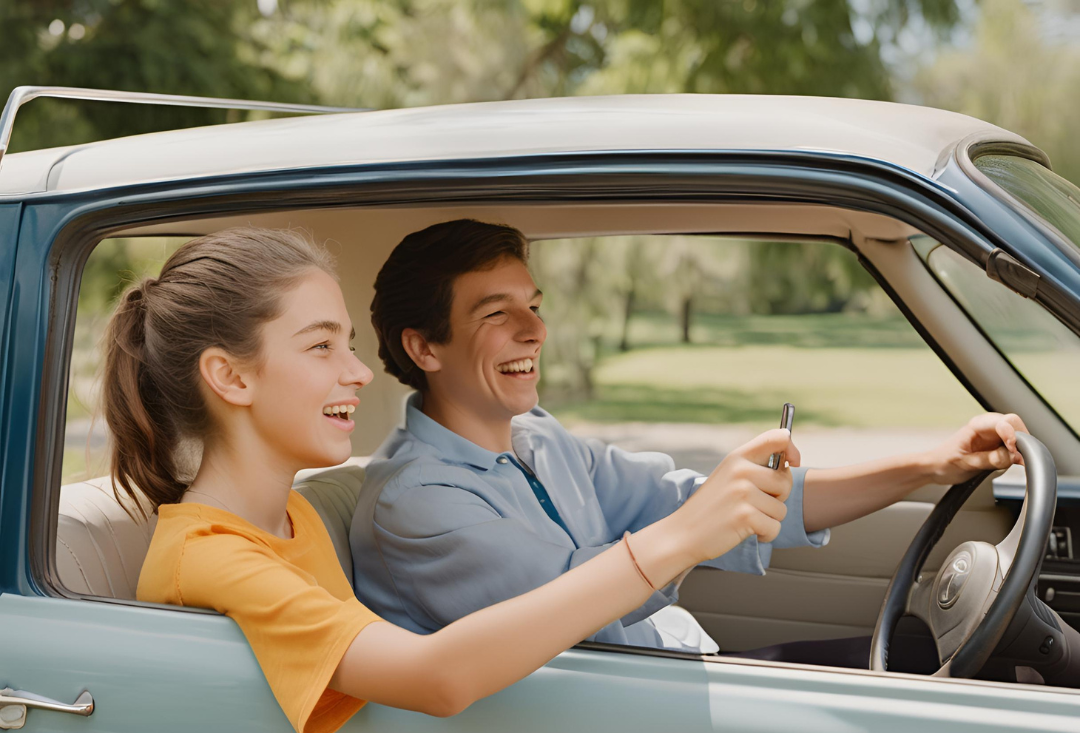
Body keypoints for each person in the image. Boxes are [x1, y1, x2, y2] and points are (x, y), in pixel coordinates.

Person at [108, 227, 803, 733]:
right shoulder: (210, 556)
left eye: (348, 344)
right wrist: (678, 538)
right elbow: (434, 678)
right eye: (321, 346)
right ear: (230, 375)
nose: (356, 371)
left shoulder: (295, 518)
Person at [351, 218, 1027, 658]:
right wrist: (703, 522)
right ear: (424, 346)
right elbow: (572, 604)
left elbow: (693, 500)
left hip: (684, 668)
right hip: (629, 709)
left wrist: (933, 461)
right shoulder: (414, 502)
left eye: (534, 305)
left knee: (928, 647)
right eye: (498, 313)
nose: (535, 331)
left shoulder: (538, 437)